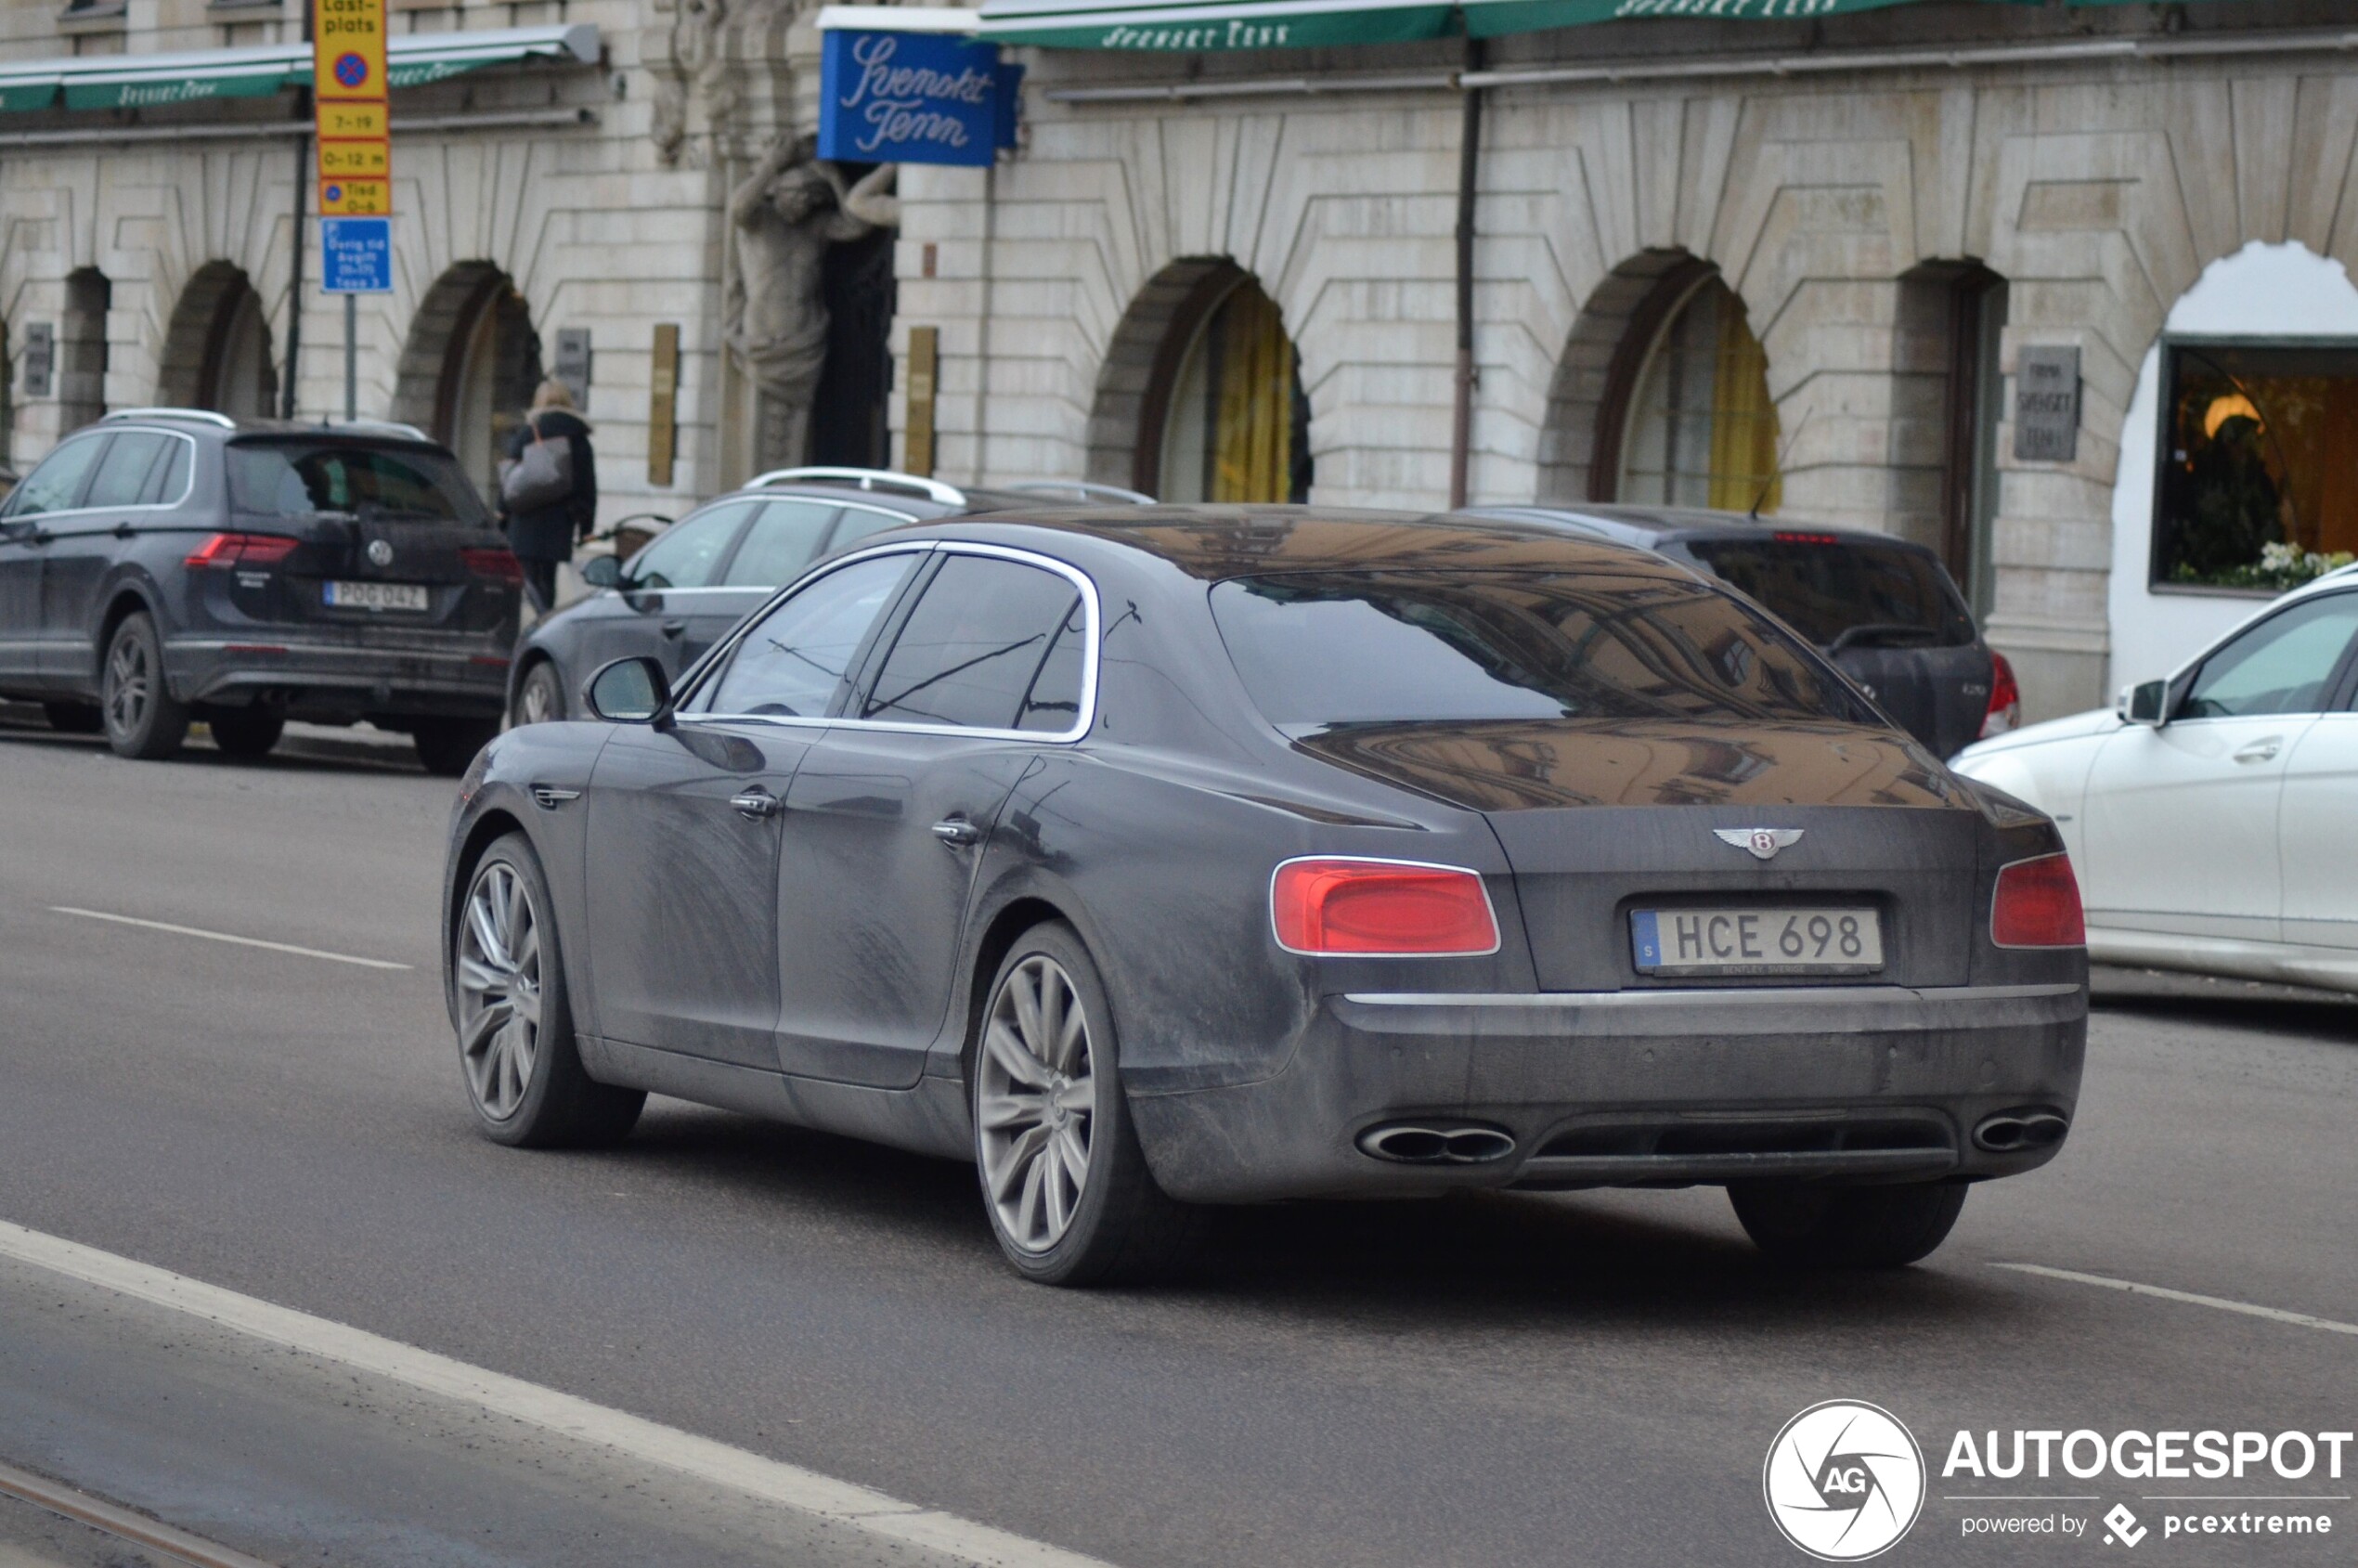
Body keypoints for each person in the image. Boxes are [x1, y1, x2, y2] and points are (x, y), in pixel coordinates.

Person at [500, 379, 597, 614]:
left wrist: (502, 513)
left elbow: (511, 477)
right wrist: (586, 527)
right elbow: (587, 484)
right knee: (548, 578)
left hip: (525, 520)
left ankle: (537, 621)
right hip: (559, 521)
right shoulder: (578, 436)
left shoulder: (527, 432)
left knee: (528, 578)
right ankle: (546, 617)